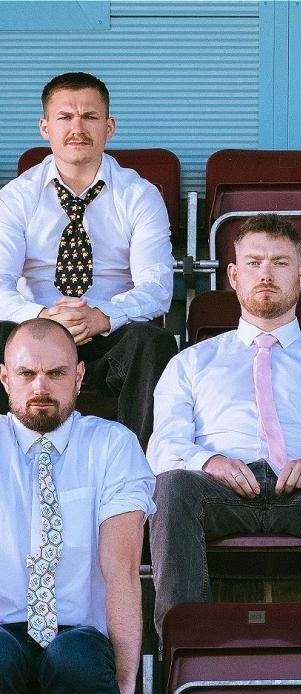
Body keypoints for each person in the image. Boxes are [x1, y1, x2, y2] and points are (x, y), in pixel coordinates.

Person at [147, 213, 301, 635]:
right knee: (170, 486)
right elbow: (163, 445)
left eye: (280, 263)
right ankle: (184, 645)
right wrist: (210, 462)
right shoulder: (191, 363)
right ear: (234, 276)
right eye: (254, 263)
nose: (266, 274)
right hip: (220, 493)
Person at [0, 317, 155, 694]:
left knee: (77, 660)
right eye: (27, 375)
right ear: (5, 378)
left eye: (57, 374)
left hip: (79, 635)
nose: (41, 387)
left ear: (80, 376)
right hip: (2, 631)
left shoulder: (112, 445)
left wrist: (127, 678)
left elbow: (122, 570)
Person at [0, 71, 178, 443]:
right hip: (35, 331)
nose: (77, 128)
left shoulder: (139, 195)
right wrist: (42, 317)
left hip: (109, 335)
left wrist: (102, 317)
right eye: (65, 117)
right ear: (45, 127)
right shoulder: (16, 197)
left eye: (90, 117)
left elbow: (157, 287)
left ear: (109, 127)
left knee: (153, 342)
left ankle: (138, 476)